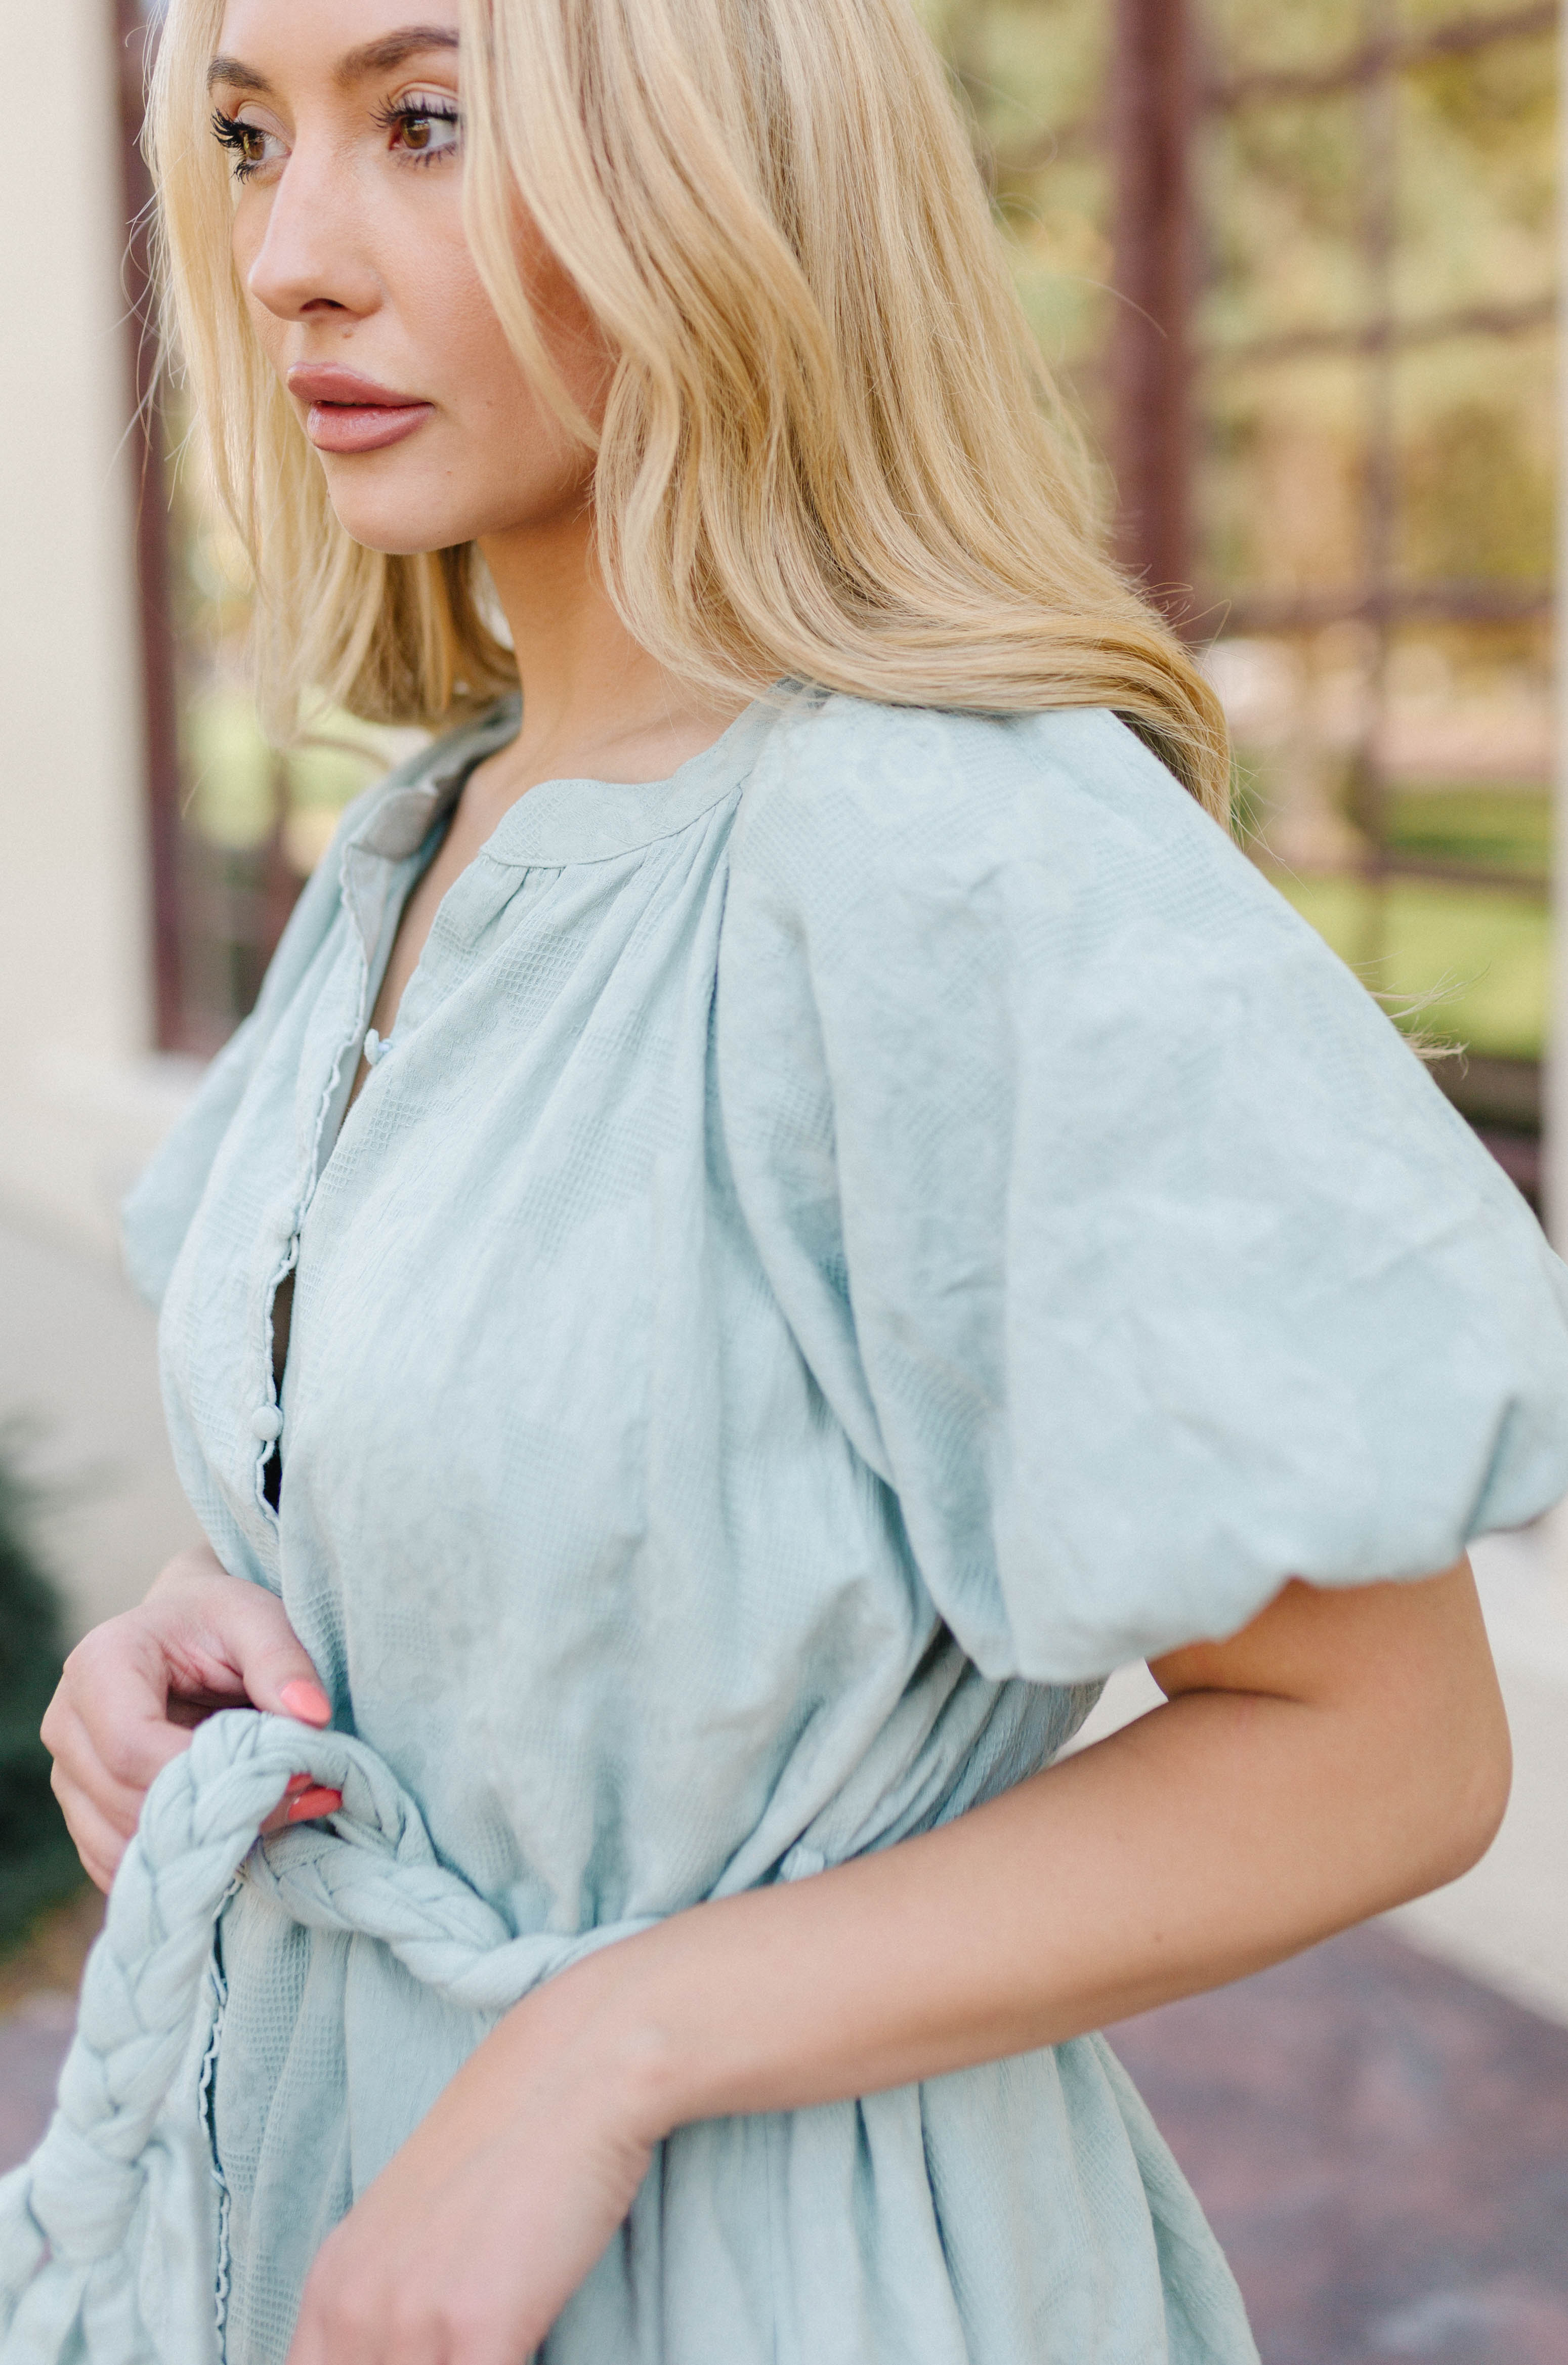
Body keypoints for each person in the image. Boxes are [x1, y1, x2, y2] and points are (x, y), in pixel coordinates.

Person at [40, 0, 1568, 2358]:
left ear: (722, 165)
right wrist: (192, 1651)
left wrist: (598, 2049)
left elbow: (1389, 1742)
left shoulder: (938, 848)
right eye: (250, 138)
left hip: (781, 2272)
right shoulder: (421, 839)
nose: (288, 259)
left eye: (425, 122)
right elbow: (596, 1489)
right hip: (331, 2209)